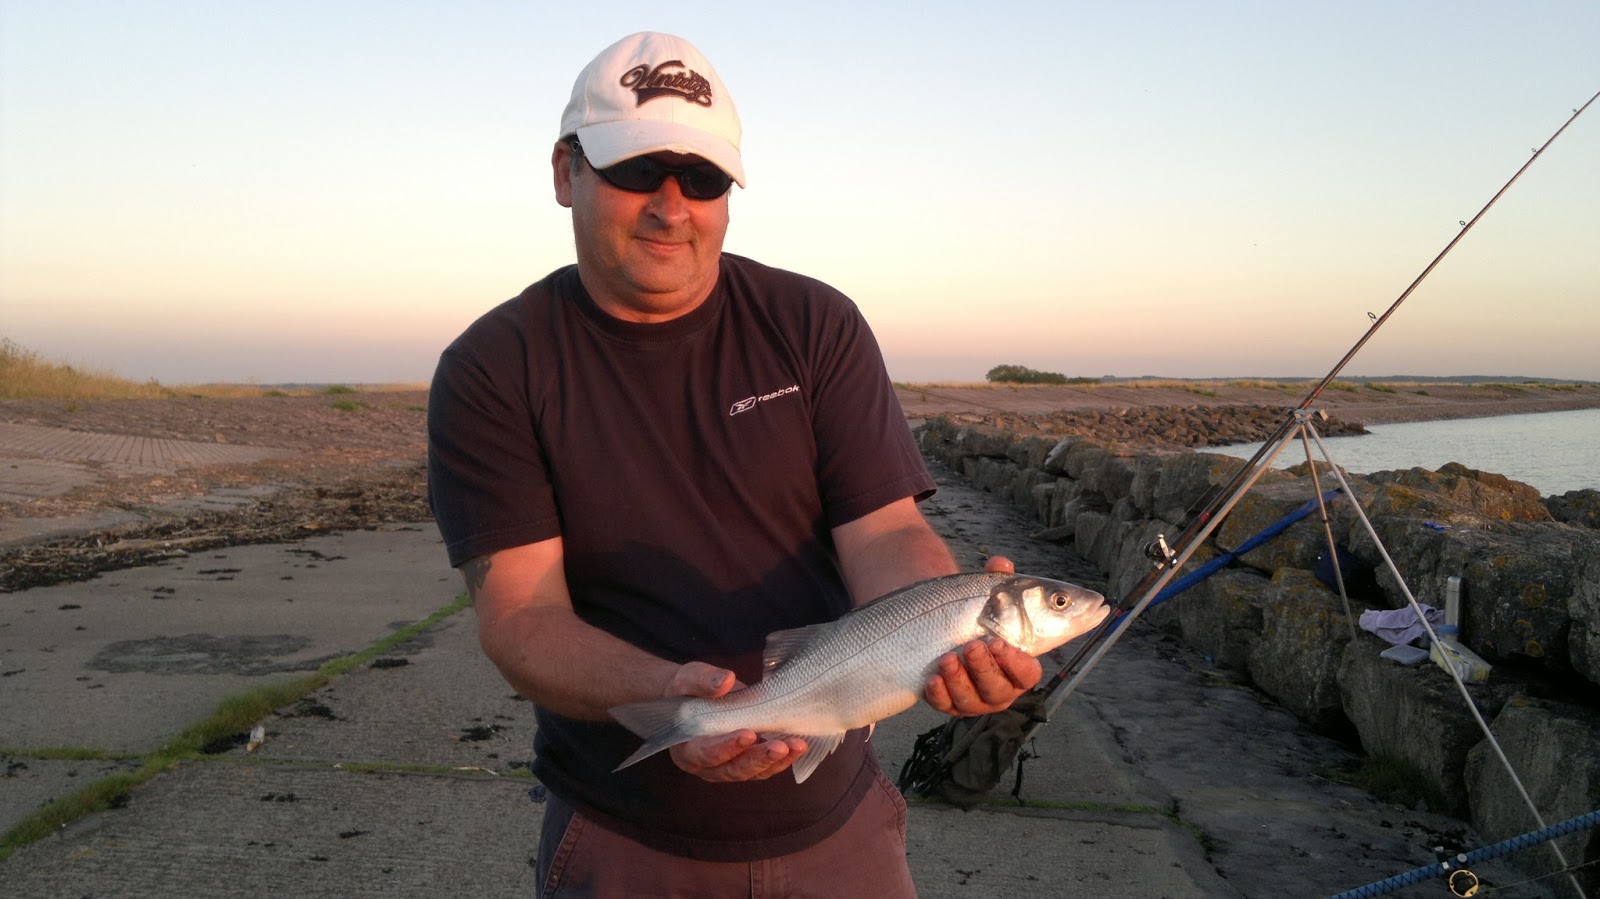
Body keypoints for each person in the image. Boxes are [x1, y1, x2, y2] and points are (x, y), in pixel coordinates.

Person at [427, 31, 1042, 897]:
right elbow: (522, 617)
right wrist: (680, 703)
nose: (671, 207)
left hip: (842, 828)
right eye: (637, 170)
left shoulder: (814, 322)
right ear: (566, 172)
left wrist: (949, 629)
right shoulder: (495, 367)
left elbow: (887, 530)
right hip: (625, 840)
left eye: (704, 178)